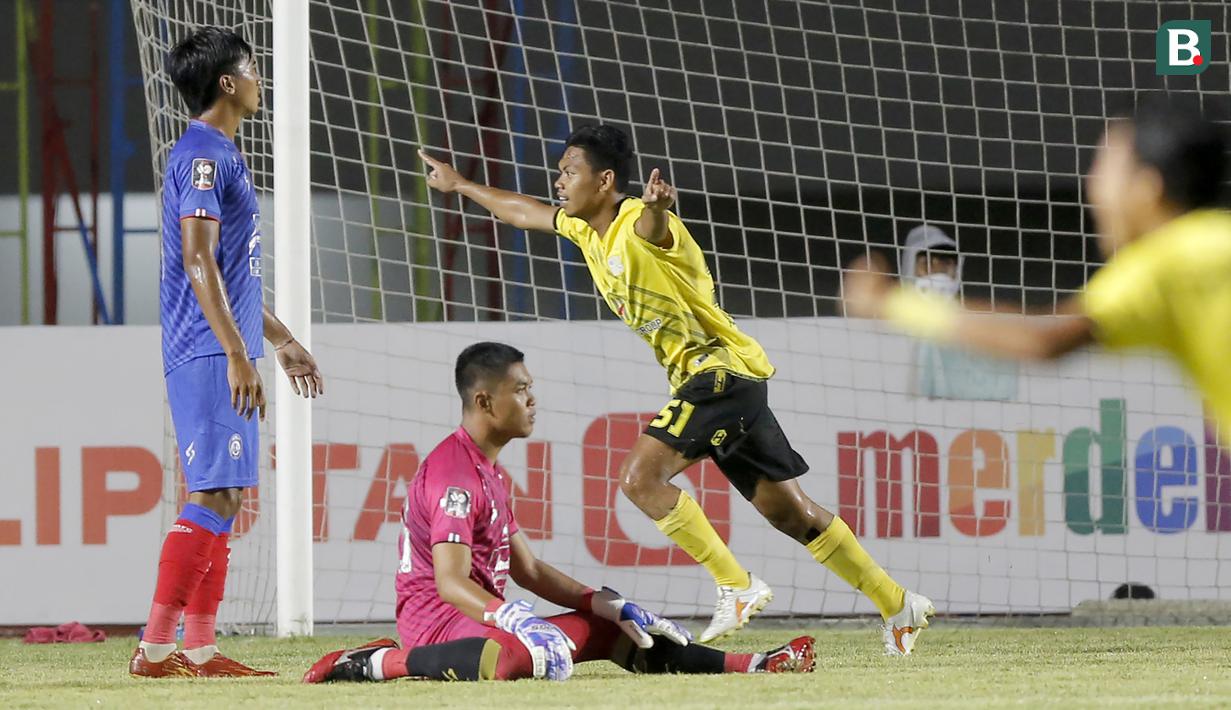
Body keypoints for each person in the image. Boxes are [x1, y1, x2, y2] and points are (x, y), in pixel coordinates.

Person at [418, 126, 932, 655]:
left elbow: (653, 228)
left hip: (718, 374)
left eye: (570, 170)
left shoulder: (639, 224)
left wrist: (659, 208)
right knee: (790, 513)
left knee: (640, 479)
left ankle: (736, 585)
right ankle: (897, 603)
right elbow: (521, 210)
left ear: (605, 179)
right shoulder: (584, 230)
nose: (559, 179)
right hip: (732, 382)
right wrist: (460, 185)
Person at [304, 343, 815, 683]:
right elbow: (450, 583)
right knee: (504, 660)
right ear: (484, 400)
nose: (532, 400)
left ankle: (754, 665)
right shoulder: (453, 475)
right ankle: (374, 662)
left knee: (628, 630)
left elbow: (527, 570)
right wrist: (512, 616)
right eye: (521, 390)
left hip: (484, 621)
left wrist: (603, 603)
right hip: (439, 626)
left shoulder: (492, 471)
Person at [845, 98, 1231, 440]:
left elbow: (1043, 339)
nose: (1091, 184)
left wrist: (892, 304)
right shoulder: (1205, 248)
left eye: (1106, 167)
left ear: (1149, 187)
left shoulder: (1170, 261)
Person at [130, 27, 324, 678]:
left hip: (224, 344)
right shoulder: (203, 156)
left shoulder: (219, 153)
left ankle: (200, 648)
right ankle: (155, 649)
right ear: (227, 83)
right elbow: (196, 258)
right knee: (213, 493)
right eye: (251, 67)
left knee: (227, 495)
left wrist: (281, 340)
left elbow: (232, 272)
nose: (259, 76)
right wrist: (238, 354)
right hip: (211, 353)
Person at [899, 225, 1016, 401]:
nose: (938, 273)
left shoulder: (976, 330)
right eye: (928, 264)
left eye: (946, 265)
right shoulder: (885, 324)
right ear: (910, 267)